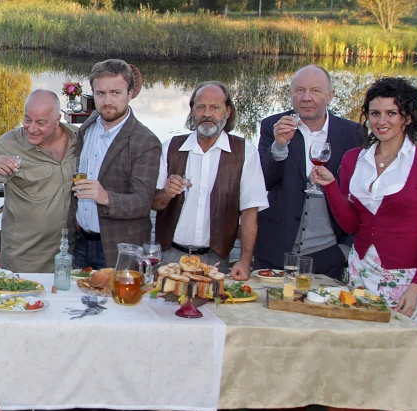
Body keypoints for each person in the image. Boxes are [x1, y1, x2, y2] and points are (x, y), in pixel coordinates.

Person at [311, 77, 417, 411]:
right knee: (359, 355)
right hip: (362, 272)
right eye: (375, 113)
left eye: (391, 113)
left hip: (406, 278)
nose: (382, 121)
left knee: (391, 360)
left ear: (407, 117)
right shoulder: (355, 159)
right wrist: (333, 186)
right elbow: (351, 222)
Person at [255, 65, 366, 279]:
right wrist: (278, 146)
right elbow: (263, 183)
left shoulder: (353, 133)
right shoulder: (273, 126)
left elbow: (360, 195)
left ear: (330, 96)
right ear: (291, 94)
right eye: (300, 90)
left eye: (315, 90)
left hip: (328, 252)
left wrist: (345, 249)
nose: (306, 97)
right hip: (275, 250)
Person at [152, 81, 268, 279]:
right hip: (170, 256)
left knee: (213, 309)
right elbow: (155, 203)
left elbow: (250, 212)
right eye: (201, 107)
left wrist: (245, 260)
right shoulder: (170, 147)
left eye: (215, 107)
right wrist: (166, 193)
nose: (207, 114)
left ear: (227, 112)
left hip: (216, 260)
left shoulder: (245, 152)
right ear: (192, 111)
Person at [0, 89, 78, 273]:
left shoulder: (80, 139)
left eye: (41, 123)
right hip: (25, 260)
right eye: (28, 120)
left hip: (72, 255)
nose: (32, 128)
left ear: (58, 119)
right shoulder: (9, 144)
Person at [71, 59, 163, 270]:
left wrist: (105, 197)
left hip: (119, 248)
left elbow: (142, 202)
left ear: (130, 94)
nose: (107, 101)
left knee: (118, 302)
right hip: (81, 243)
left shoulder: (145, 141)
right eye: (100, 93)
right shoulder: (88, 127)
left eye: (115, 93)